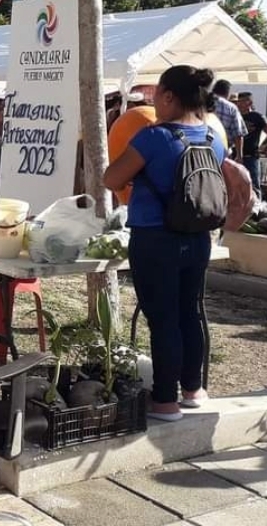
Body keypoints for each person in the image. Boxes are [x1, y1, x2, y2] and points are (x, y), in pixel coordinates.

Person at [103, 65, 226, 422]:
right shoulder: (212, 138)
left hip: (156, 238)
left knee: (163, 318)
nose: (152, 101)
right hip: (198, 237)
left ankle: (165, 400)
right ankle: (192, 389)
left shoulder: (154, 137)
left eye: (156, 94)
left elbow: (112, 177)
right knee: (190, 312)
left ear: (169, 96)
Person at [236, 91, 267, 199]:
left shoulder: (257, 117)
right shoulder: (235, 116)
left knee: (254, 185)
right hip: (235, 157)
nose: (239, 104)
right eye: (238, 101)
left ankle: (257, 210)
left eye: (242, 101)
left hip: (251, 157)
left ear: (249, 102)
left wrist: (266, 146)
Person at [211, 80, 245, 160]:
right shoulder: (231, 108)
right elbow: (238, 134)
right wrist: (239, 156)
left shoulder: (200, 103)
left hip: (199, 152)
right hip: (222, 153)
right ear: (227, 93)